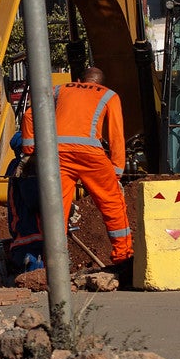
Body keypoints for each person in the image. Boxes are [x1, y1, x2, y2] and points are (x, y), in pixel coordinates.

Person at [19, 66, 133, 266]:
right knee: (112, 204)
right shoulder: (109, 95)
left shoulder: (58, 90)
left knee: (56, 210)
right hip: (91, 156)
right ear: (100, 83)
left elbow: (29, 116)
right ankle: (123, 258)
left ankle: (54, 266)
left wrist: (30, 151)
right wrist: (116, 170)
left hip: (57, 154)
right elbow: (116, 135)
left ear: (79, 80)